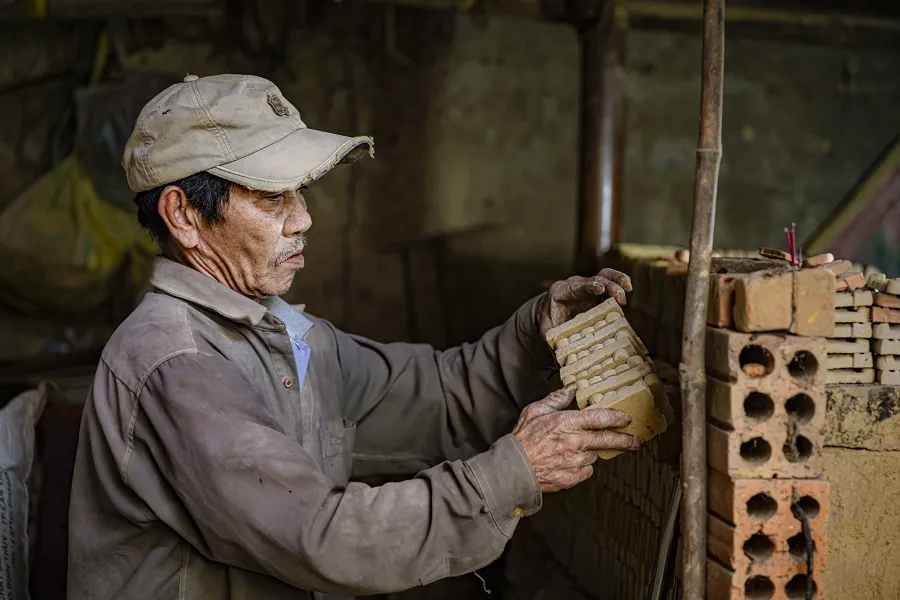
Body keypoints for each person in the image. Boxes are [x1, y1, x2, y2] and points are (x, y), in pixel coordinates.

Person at [67, 73, 640, 600]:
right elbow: (321, 537)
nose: (303, 219)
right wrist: (517, 472)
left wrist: (533, 332)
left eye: (300, 191)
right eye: (273, 197)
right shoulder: (176, 363)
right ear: (184, 216)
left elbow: (437, 395)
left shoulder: (279, 332)